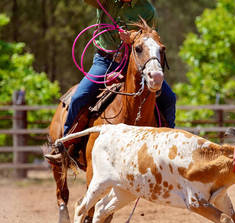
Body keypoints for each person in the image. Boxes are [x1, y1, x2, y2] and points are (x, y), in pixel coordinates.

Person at [45, 0, 176, 162]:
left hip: (135, 61)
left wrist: (132, 37)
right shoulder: (106, 2)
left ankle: (168, 147)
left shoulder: (147, 9)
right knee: (80, 96)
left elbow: (152, 37)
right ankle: (65, 146)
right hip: (105, 61)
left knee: (169, 98)